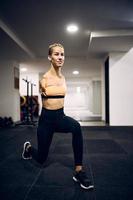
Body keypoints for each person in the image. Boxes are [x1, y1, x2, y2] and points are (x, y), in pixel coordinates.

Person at [22, 43, 94, 190]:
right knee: (42, 158)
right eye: (56, 54)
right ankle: (28, 148)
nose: (60, 57)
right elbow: (46, 95)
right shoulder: (44, 79)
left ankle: (79, 171)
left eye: (62, 54)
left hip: (60, 117)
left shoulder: (63, 78)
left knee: (76, 127)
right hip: (46, 121)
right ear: (50, 57)